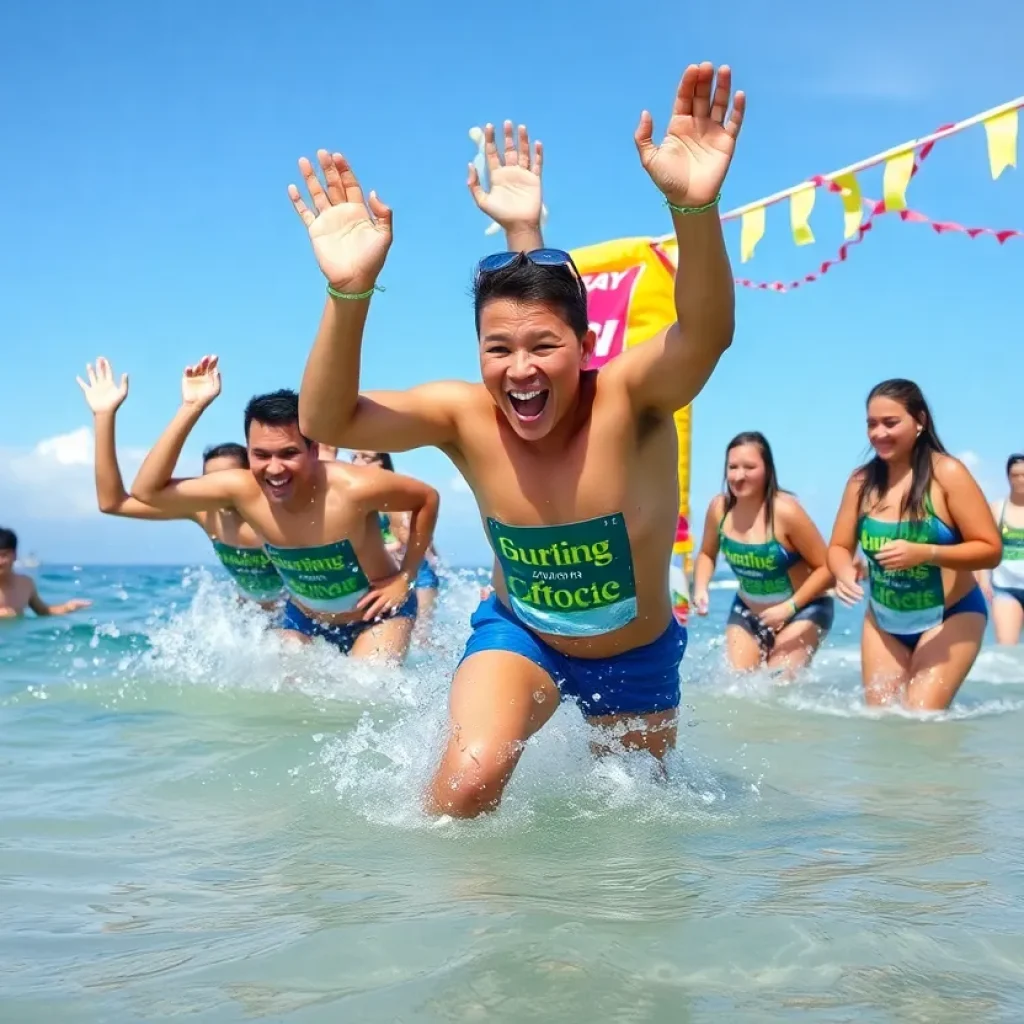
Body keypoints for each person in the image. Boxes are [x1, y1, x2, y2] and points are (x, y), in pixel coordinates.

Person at [289, 62, 745, 816]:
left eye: (544, 348)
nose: (520, 370)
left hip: (636, 658)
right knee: (467, 784)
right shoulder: (464, 417)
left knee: (634, 840)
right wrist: (347, 292)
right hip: (522, 637)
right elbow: (327, 422)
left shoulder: (631, 401)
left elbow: (706, 333)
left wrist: (694, 210)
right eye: (497, 349)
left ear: (587, 343)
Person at [131, 357, 440, 664]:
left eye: (289, 453)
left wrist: (406, 577)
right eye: (261, 455)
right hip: (305, 620)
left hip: (378, 615)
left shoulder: (353, 487)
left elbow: (426, 498)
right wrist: (190, 408)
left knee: (369, 689)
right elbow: (147, 491)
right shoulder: (241, 491)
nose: (275, 469)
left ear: (314, 450)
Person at [827, 379, 1000, 710]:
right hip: (884, 623)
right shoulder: (860, 482)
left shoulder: (947, 473)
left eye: (890, 423)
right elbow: (838, 547)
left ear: (919, 420)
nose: (879, 433)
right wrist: (842, 572)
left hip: (951, 616)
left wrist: (926, 553)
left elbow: (990, 550)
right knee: (885, 722)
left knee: (921, 717)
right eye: (872, 424)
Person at [77, 357, 285, 607]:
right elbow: (112, 503)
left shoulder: (277, 511)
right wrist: (103, 415)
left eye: (228, 479)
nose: (220, 489)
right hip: (249, 623)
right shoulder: (203, 512)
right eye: (210, 481)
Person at [692, 432, 834, 674]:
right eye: (732, 467)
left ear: (767, 469)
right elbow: (707, 553)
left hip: (802, 610)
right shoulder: (720, 509)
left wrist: (788, 608)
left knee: (776, 688)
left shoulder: (786, 512)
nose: (738, 476)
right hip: (747, 611)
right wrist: (701, 587)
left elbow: (829, 568)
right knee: (738, 688)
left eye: (749, 467)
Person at [352, 450, 442, 641]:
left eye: (366, 458)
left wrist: (376, 549)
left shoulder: (393, 499)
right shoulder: (357, 498)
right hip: (389, 575)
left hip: (418, 576)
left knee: (422, 638)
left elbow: (407, 540)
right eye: (354, 457)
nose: (358, 462)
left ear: (382, 464)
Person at [977, 453, 1024, 645]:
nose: (1020, 480)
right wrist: (982, 578)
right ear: (1008, 477)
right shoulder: (996, 509)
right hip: (1005, 589)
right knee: (1007, 650)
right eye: (1015, 475)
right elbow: (982, 546)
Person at [0, 528, 92, 618]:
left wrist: (69, 607)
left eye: (3, 555)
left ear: (15, 555)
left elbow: (44, 611)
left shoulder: (25, 584)